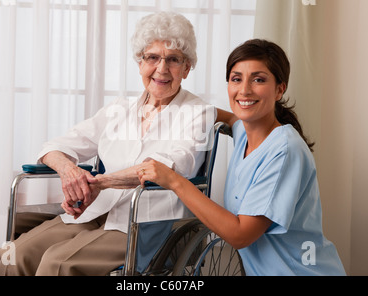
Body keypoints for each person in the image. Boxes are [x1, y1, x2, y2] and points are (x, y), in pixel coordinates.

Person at [0, 11, 216, 275]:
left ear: (187, 67)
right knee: (15, 253)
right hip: (94, 210)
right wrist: (71, 174)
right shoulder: (118, 109)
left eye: (173, 60)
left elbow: (168, 168)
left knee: (57, 264)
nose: (161, 68)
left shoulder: (198, 113)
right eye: (152, 58)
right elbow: (54, 147)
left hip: (145, 221)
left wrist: (97, 183)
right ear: (140, 63)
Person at [138, 39, 346, 275]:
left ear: (280, 89)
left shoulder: (285, 150)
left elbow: (240, 234)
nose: (244, 90)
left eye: (258, 79)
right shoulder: (244, 133)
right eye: (236, 79)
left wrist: (175, 181)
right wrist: (184, 109)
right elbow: (229, 116)